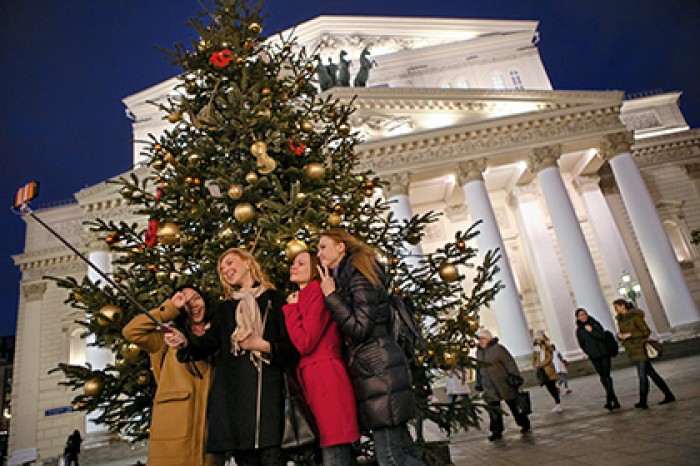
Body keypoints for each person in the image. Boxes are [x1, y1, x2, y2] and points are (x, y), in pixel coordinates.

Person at [176, 248, 298, 466]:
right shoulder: (226, 309)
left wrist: (261, 345)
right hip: (236, 402)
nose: (226, 271)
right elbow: (207, 344)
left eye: (230, 263)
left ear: (248, 263)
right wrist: (184, 341)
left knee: (273, 458)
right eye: (222, 269)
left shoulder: (275, 300)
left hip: (268, 399)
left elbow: (292, 347)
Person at [317, 229, 424, 466]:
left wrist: (331, 295)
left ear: (341, 247)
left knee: (389, 457)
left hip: (377, 367)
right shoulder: (350, 274)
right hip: (376, 366)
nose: (319, 253)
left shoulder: (358, 275)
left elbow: (360, 327)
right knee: (402, 451)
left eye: (323, 247)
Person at [283, 250, 360, 465]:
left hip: (325, 377)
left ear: (315, 270)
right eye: (293, 262)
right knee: (331, 447)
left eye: (301, 263)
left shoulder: (315, 292)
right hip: (318, 376)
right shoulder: (307, 295)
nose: (293, 266)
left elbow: (305, 342)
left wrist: (290, 310)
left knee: (334, 448)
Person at [123, 285, 214, 466]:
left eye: (196, 298)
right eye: (185, 302)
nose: (192, 305)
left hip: (210, 431)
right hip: (173, 432)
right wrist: (169, 309)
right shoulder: (164, 337)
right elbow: (131, 332)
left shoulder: (218, 332)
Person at [613, 299, 675, 409]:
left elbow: (645, 331)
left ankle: (643, 401)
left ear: (623, 306)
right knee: (652, 374)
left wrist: (630, 335)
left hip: (641, 349)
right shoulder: (621, 320)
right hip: (632, 350)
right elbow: (623, 333)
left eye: (617, 307)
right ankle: (669, 395)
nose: (615, 309)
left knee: (642, 376)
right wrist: (620, 336)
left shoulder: (635, 316)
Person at [474, 329, 530, 441]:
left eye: (482, 339)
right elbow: (478, 368)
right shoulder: (479, 352)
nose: (480, 341)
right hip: (489, 385)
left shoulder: (498, 349)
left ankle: (524, 423)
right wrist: (478, 382)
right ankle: (496, 431)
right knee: (494, 409)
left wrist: (515, 376)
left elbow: (509, 363)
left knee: (513, 405)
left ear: (488, 338)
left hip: (504, 383)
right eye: (479, 339)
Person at [575, 308, 619, 411]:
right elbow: (582, 344)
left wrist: (592, 331)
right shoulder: (579, 331)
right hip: (594, 356)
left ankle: (609, 400)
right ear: (578, 317)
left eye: (585, 314)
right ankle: (614, 399)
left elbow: (602, 336)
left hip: (604, 354)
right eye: (581, 315)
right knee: (602, 377)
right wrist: (589, 353)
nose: (584, 316)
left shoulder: (594, 323)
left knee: (606, 376)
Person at [532, 331, 562, 412]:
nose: (537, 341)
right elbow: (534, 358)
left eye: (538, 339)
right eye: (536, 339)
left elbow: (549, 358)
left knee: (552, 386)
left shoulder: (547, 347)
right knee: (548, 387)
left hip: (548, 370)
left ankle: (558, 403)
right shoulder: (536, 349)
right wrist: (534, 365)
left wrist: (541, 364)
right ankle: (557, 402)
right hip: (541, 371)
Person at [444, 367, 471, 437]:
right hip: (454, 386)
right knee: (452, 405)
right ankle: (448, 425)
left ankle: (449, 425)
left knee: (453, 404)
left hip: (456, 385)